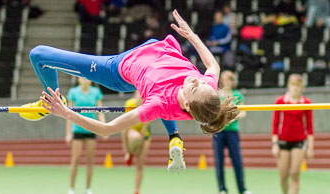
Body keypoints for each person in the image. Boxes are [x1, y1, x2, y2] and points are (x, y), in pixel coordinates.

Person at [19, 10, 239, 174]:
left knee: (39, 55)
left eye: (193, 86)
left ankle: (53, 97)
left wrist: (65, 112)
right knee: (166, 104)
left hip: (117, 70)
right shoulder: (205, 90)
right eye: (200, 83)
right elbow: (213, 66)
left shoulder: (158, 103)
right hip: (156, 50)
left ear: (189, 105)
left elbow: (107, 129)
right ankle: (174, 137)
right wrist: (191, 35)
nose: (195, 79)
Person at [272, 74, 314, 194]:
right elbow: (275, 124)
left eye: (298, 85)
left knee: (295, 174)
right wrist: (274, 144)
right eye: (293, 84)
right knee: (283, 176)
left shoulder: (306, 102)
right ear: (288, 85)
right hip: (283, 141)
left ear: (301, 87)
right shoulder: (281, 101)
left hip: (299, 141)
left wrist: (310, 147)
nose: (295, 87)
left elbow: (310, 126)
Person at [212, 70, 252, 194]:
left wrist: (231, 117)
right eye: (224, 79)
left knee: (237, 160)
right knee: (219, 160)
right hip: (218, 131)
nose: (226, 81)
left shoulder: (237, 94)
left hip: (232, 131)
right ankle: (222, 188)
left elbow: (243, 112)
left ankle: (242, 188)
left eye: (229, 79)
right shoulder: (217, 95)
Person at [66, 77, 106, 194]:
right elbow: (68, 114)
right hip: (77, 129)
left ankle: (88, 188)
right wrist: (68, 133)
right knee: (75, 158)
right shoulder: (73, 92)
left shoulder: (96, 92)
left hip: (91, 128)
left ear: (90, 80)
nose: (84, 80)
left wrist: (104, 127)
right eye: (82, 78)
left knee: (90, 159)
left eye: (87, 78)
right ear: (78, 80)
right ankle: (71, 188)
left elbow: (100, 111)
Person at [121, 91, 151, 194]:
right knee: (136, 138)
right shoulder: (130, 103)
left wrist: (143, 138)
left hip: (144, 133)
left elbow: (145, 127)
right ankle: (129, 153)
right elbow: (125, 125)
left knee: (140, 165)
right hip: (131, 130)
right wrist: (126, 149)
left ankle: (137, 192)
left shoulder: (148, 104)